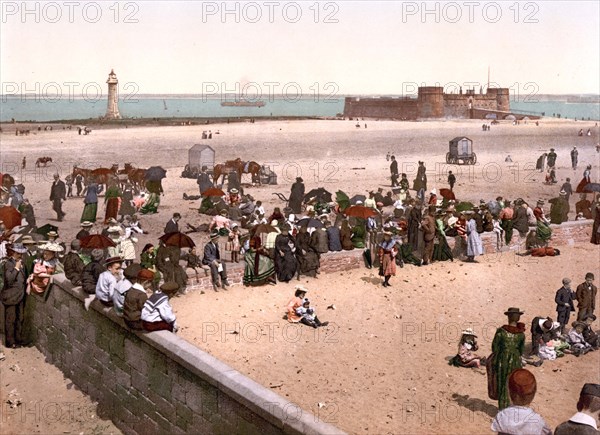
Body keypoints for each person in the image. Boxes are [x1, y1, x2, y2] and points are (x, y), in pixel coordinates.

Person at [490, 369, 552, 435]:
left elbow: (496, 429)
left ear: (509, 392)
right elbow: (548, 432)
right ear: (534, 393)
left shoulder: (502, 415)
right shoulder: (538, 420)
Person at [488, 307, 526, 410]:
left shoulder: (501, 332)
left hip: (502, 360)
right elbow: (521, 351)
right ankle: (511, 408)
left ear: (508, 317)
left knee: (502, 383)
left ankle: (502, 409)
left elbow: (494, 348)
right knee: (513, 385)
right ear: (518, 318)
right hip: (515, 361)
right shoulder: (521, 335)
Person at [1, 243, 27, 348]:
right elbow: (9, 280)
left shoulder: (22, 263)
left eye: (21, 254)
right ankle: (10, 342)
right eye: (18, 253)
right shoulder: (8, 263)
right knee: (10, 320)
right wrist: (16, 268)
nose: (20, 256)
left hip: (19, 296)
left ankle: (18, 340)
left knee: (19, 318)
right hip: (10, 297)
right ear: (13, 253)